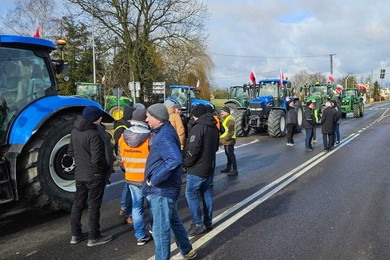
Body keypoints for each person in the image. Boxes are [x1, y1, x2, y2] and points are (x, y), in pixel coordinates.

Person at [143, 103, 197, 260]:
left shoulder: (164, 135)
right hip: (166, 189)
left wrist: (154, 179)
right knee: (174, 221)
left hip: (161, 190)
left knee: (160, 233)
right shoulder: (164, 130)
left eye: (149, 116)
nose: (146, 119)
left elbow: (174, 160)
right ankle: (187, 250)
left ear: (158, 119)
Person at [68, 106, 113, 247]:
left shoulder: (74, 131)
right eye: (99, 117)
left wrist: (82, 162)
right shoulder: (93, 134)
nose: (101, 119)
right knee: (94, 206)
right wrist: (106, 168)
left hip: (80, 175)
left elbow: (71, 152)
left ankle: (76, 235)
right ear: (94, 119)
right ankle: (94, 237)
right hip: (94, 175)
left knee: (77, 205)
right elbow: (97, 159)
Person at [184, 104, 219, 237]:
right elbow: (215, 147)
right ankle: (208, 221)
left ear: (195, 115)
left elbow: (193, 149)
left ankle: (197, 223)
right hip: (209, 165)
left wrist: (186, 163)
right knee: (206, 192)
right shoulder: (213, 126)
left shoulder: (198, 127)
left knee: (190, 194)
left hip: (197, 168)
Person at [118, 108, 151, 246]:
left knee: (136, 207)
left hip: (131, 177)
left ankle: (140, 235)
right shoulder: (150, 137)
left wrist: (127, 170)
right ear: (144, 120)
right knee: (151, 206)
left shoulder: (123, 137)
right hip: (147, 179)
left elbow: (120, 159)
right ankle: (154, 230)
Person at [113, 105, 136, 225]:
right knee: (129, 186)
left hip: (126, 162)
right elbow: (119, 147)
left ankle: (123, 206)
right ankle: (126, 209)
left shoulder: (122, 126)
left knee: (128, 185)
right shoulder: (122, 129)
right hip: (127, 162)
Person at [219, 106, 238, 176]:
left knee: (230, 155)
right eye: (221, 111)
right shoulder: (226, 119)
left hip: (229, 141)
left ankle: (235, 170)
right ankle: (228, 167)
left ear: (227, 112)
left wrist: (225, 139)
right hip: (227, 140)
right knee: (228, 154)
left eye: (223, 111)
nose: (221, 113)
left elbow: (231, 132)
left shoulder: (230, 120)